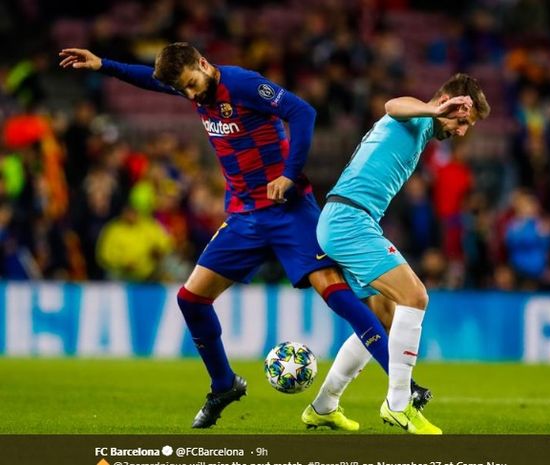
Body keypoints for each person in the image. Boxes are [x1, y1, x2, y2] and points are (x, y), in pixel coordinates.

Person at [59, 43, 429, 429]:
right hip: (244, 217)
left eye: (190, 84)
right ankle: (224, 384)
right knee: (191, 300)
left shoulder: (242, 84)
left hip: (290, 211)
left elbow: (303, 112)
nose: (190, 94)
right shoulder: (193, 87)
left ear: (204, 64)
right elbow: (147, 80)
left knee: (341, 299)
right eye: (182, 89)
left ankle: (404, 388)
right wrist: (102, 65)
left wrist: (289, 172)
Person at [306, 73, 490, 434]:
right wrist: (436, 108)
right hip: (348, 220)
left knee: (382, 322)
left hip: (351, 219)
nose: (462, 130)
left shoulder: (423, 130)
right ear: (447, 102)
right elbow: (393, 106)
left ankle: (324, 405)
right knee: (415, 296)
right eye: (462, 121)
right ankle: (399, 404)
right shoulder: (418, 115)